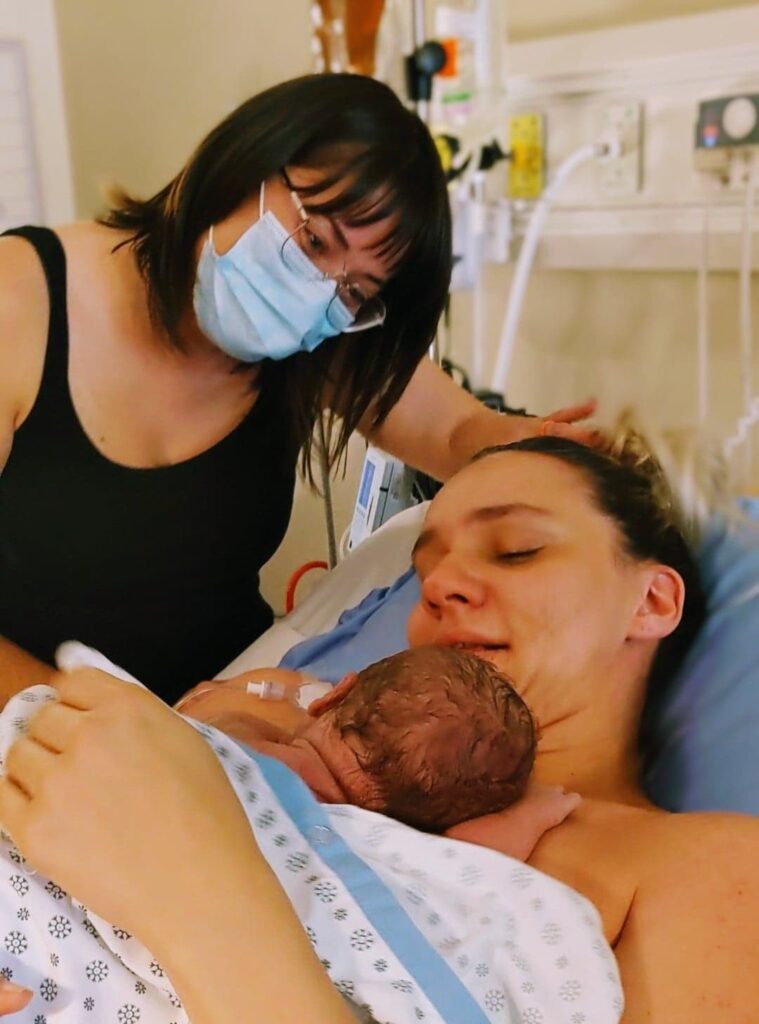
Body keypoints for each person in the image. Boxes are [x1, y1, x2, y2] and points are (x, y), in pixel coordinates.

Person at [4, 428, 754, 1023]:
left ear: (651, 601)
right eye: (425, 571)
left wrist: (200, 896)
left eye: (516, 550)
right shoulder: (280, 726)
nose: (442, 588)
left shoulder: (709, 869)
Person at [0, 71, 595, 708]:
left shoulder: (315, 330)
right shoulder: (20, 300)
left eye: (355, 291)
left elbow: (453, 432)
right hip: (40, 724)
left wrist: (534, 446)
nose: (316, 289)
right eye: (313, 240)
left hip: (224, 716)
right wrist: (88, 725)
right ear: (241, 164)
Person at [0, 647, 583, 1023]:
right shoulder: (397, 847)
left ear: (331, 696)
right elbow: (469, 869)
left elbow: (187, 728)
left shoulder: (244, 732)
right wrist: (533, 815)